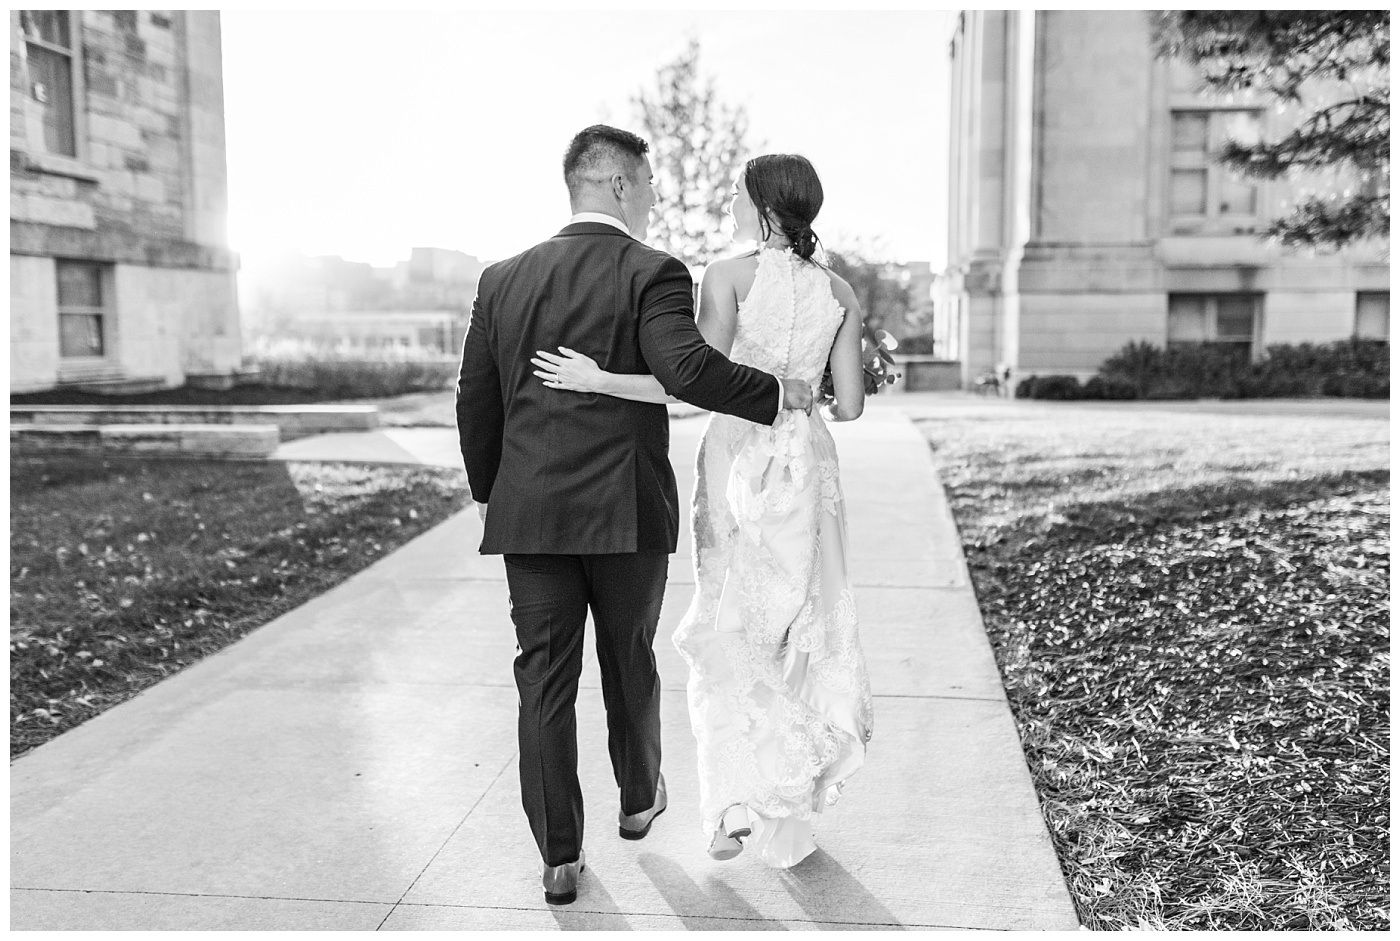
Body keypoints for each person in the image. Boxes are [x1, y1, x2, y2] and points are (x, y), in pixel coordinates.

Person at [455, 126, 814, 906]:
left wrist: (493, 491)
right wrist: (777, 394)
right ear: (619, 185)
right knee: (630, 659)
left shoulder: (502, 277)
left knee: (543, 680)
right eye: (649, 186)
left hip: (533, 517)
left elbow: (474, 400)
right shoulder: (652, 270)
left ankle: (558, 854)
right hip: (627, 512)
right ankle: (639, 796)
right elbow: (682, 368)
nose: (653, 200)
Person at [532, 153, 874, 869]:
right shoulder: (841, 290)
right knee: (797, 631)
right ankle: (786, 816)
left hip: (738, 464)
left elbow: (689, 384)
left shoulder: (725, 276)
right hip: (808, 469)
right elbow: (849, 405)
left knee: (729, 625)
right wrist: (819, 379)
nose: (726, 202)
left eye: (734, 193)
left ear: (764, 207)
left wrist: (599, 378)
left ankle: (729, 809)